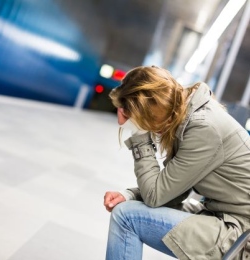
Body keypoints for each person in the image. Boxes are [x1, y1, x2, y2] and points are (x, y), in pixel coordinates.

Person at [103, 66, 250, 260]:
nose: (124, 122)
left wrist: (139, 132)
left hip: (239, 234)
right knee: (126, 210)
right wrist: (129, 194)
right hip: (222, 217)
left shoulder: (203, 127)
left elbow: (155, 195)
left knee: (126, 218)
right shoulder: (189, 116)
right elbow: (171, 192)